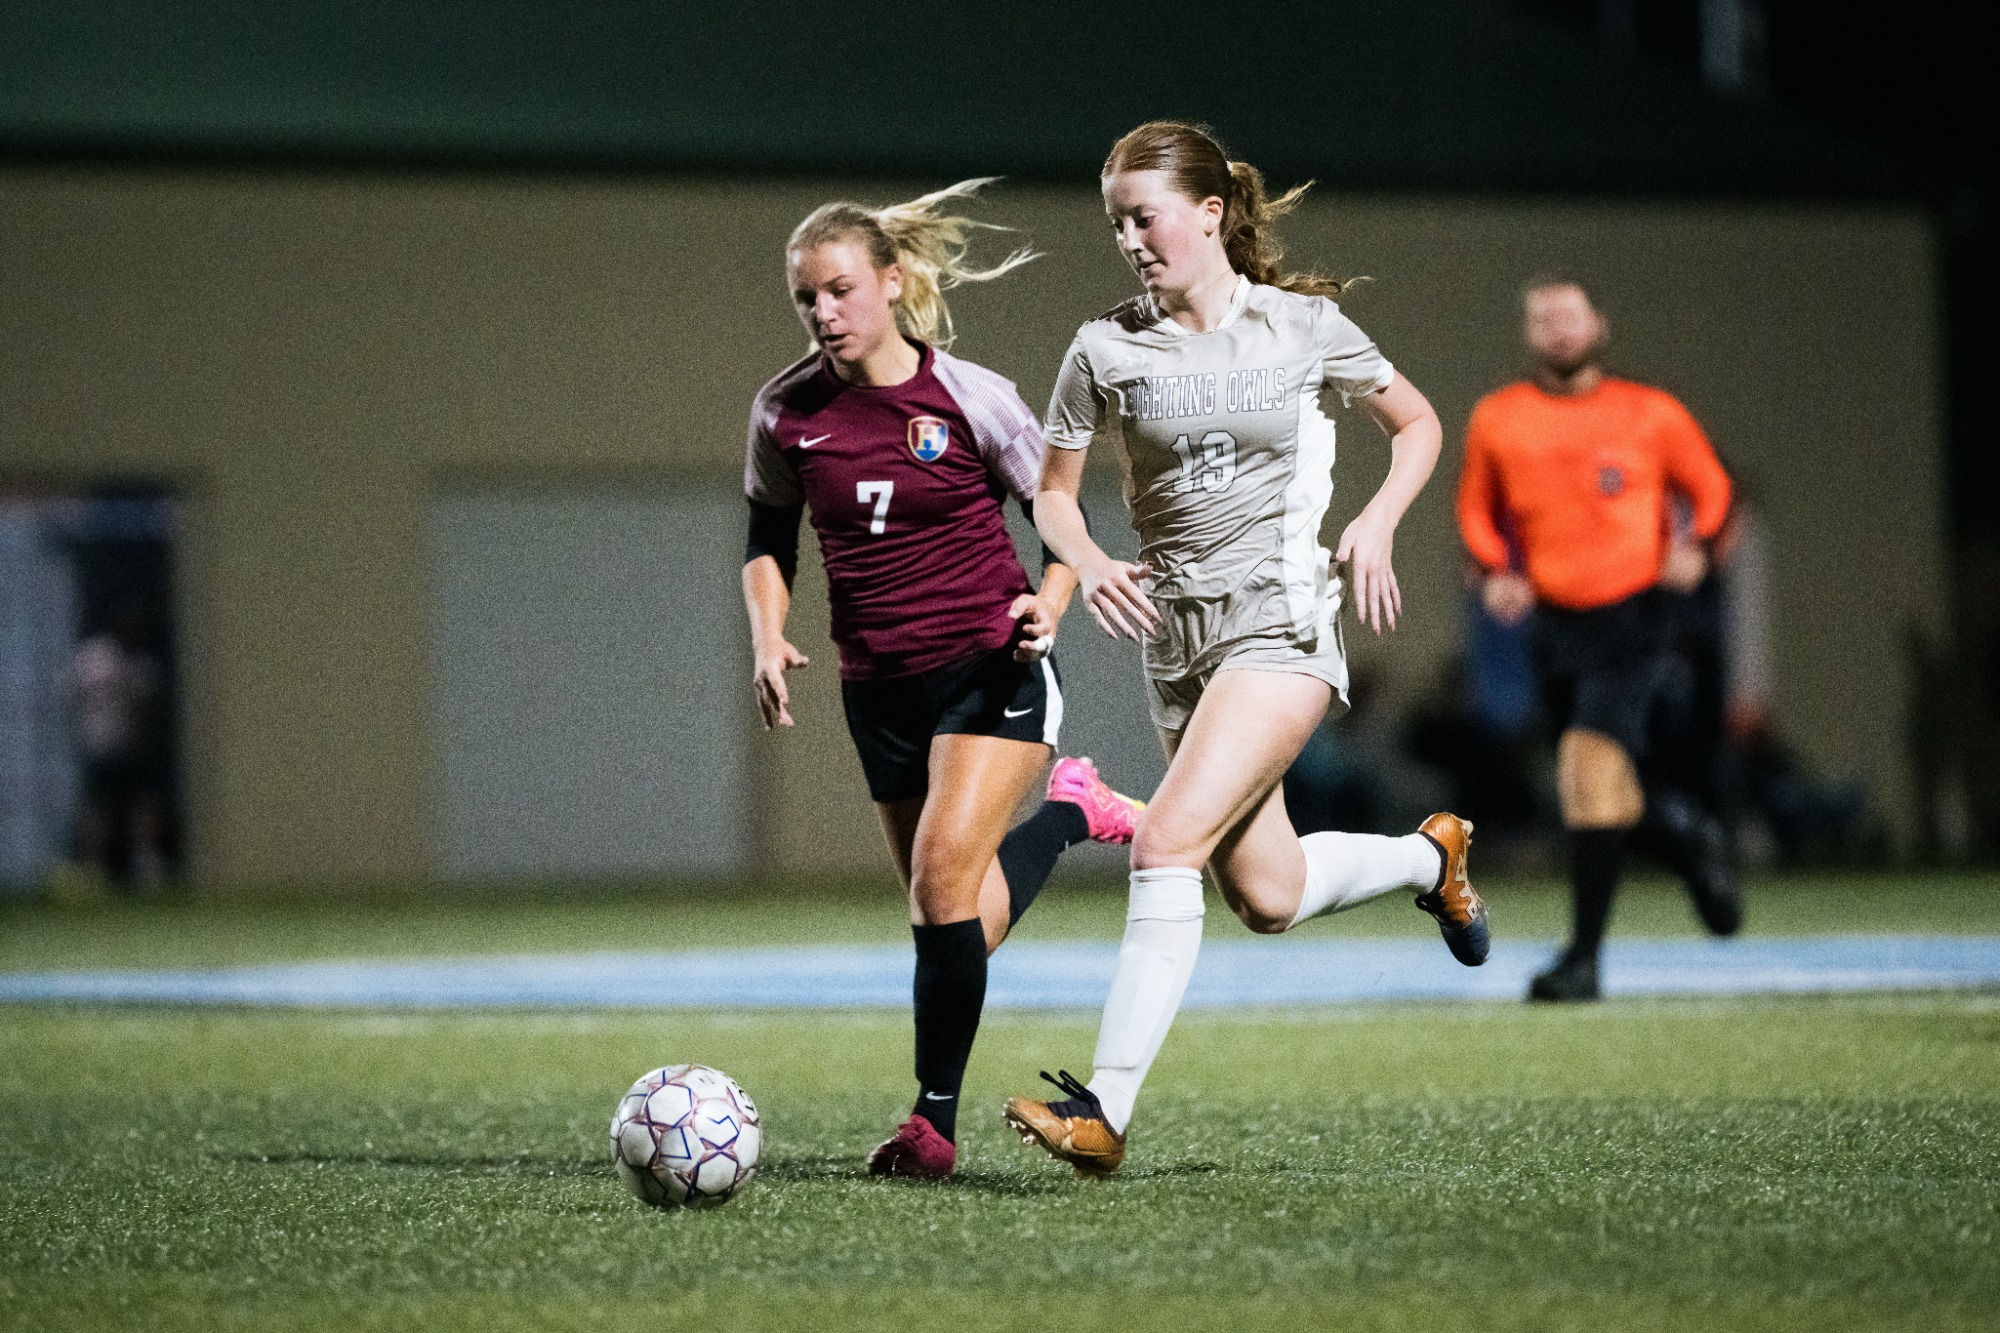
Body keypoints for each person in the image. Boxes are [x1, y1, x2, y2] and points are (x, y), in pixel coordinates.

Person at [999, 121, 1486, 1178]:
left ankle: (1102, 1112)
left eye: (1146, 215)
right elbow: (1051, 495)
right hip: (1175, 642)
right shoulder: (1102, 348)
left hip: (1281, 623)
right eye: (1115, 221)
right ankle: (1428, 856)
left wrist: (1377, 519)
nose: (1128, 238)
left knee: (1164, 840)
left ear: (1209, 212)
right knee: (1264, 895)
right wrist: (1089, 558)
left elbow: (1415, 424)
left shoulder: (1303, 327)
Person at [741, 180, 1145, 1179]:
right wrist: (765, 634)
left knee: (936, 887)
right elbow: (765, 539)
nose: (823, 314)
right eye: (806, 299)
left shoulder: (970, 395)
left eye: (837, 290)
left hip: (988, 671)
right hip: (874, 687)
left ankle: (931, 1125)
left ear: (891, 282)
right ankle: (1069, 812)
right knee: (949, 914)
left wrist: (1052, 597)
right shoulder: (785, 413)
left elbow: (1052, 507)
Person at [1456, 277, 1738, 1004]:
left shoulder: (1652, 413)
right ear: (1528, 334)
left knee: (1585, 771)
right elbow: (1476, 512)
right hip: (1554, 624)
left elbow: (1711, 490)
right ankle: (1687, 842)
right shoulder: (1499, 418)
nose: (1557, 328)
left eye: (1569, 315)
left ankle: (1582, 960)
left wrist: (1699, 548)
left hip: (1636, 619)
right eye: (1542, 318)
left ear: (1598, 325)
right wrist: (1496, 571)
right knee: (1602, 790)